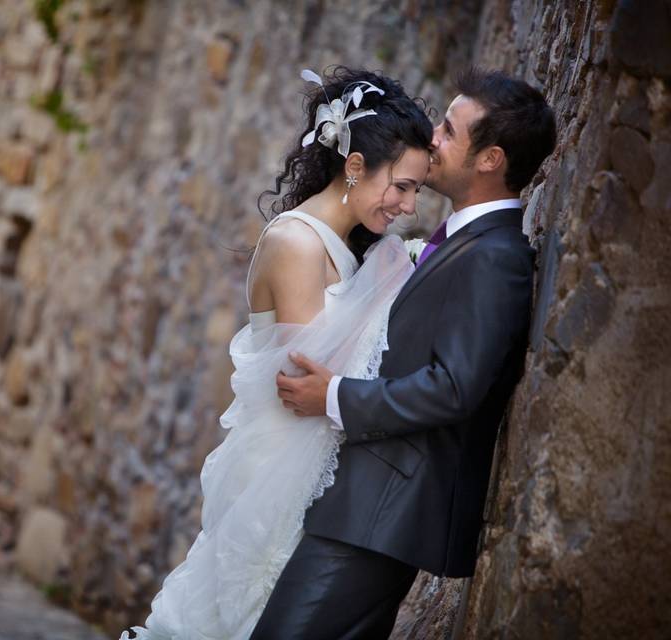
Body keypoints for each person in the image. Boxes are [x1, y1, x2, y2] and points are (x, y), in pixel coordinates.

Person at [121, 67, 433, 640]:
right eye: (404, 185)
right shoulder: (296, 243)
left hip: (310, 469)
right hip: (278, 475)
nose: (409, 206)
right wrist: (398, 278)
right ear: (355, 165)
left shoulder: (344, 247)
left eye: (418, 190)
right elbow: (307, 381)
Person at [259, 68, 557, 639]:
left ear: (490, 158)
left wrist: (336, 395)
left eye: (448, 129)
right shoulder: (461, 243)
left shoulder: (495, 256)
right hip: (361, 504)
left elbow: (455, 387)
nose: (433, 138)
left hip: (384, 509)